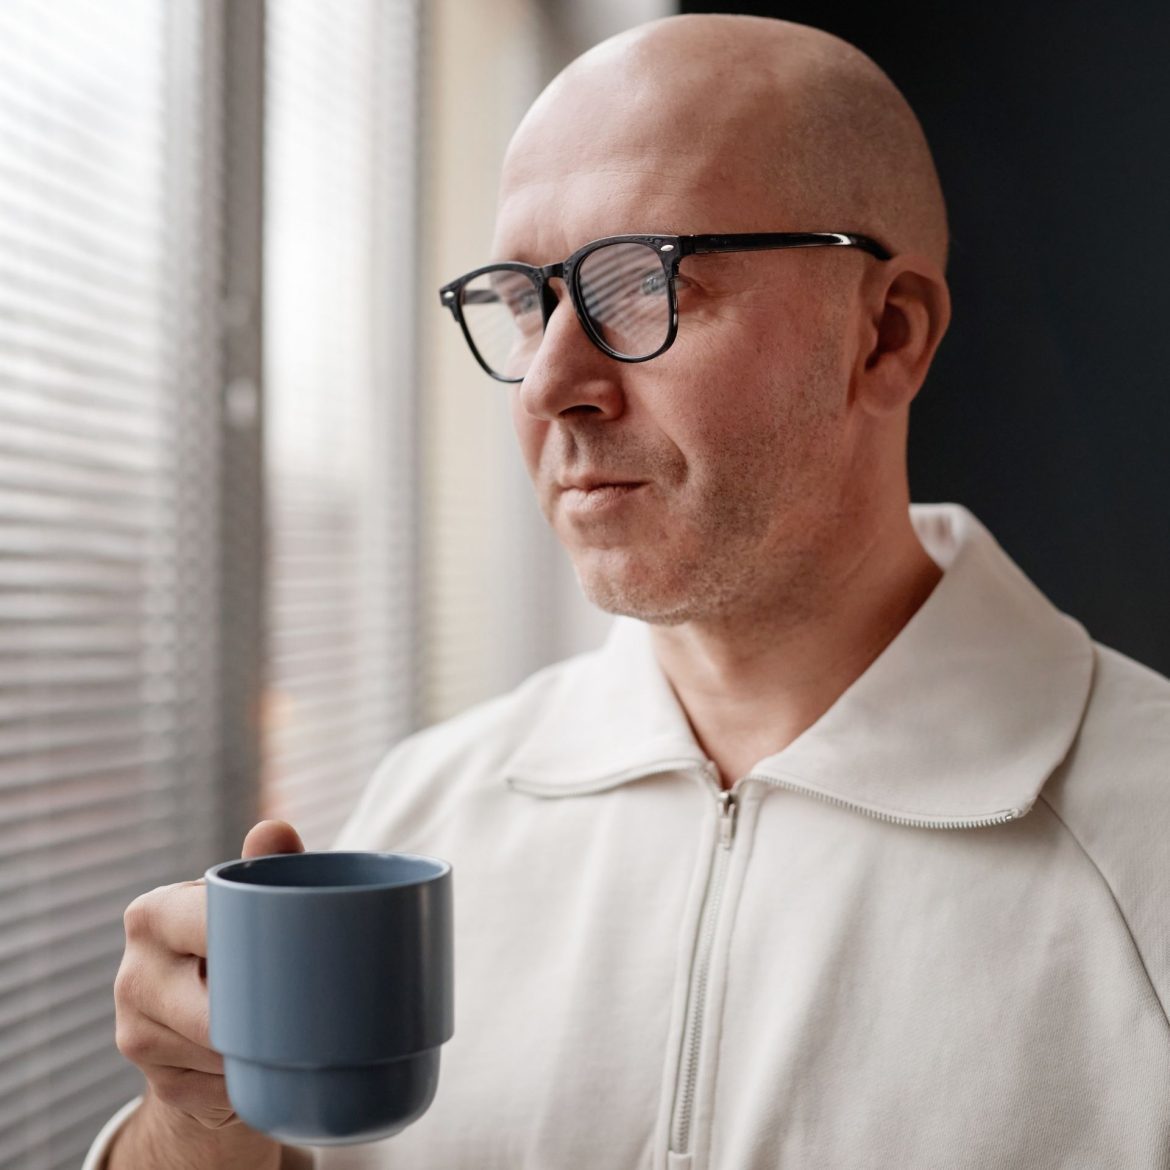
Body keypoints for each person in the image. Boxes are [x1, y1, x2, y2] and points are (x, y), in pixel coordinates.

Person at [86, 13, 1170, 1170]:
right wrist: (197, 1127)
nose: (553, 381)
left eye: (641, 284)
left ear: (887, 336)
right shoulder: (429, 807)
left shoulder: (1143, 848)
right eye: (522, 300)